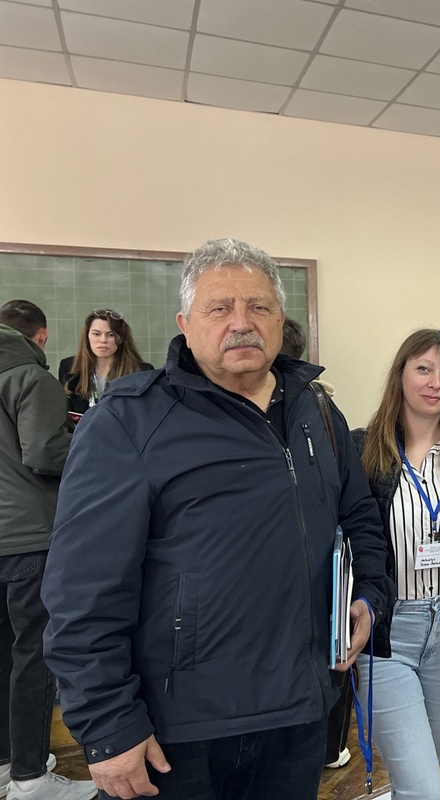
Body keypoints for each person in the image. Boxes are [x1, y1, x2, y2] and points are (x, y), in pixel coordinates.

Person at [40, 238, 395, 800]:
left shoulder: (317, 411)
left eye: (258, 307)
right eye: (219, 308)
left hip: (297, 717)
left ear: (279, 320)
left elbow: (360, 518)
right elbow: (81, 591)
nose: (241, 323)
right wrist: (106, 725)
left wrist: (371, 597)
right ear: (185, 324)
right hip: (176, 733)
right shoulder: (129, 422)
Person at [351, 328, 440, 800]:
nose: (435, 382)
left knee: (428, 763)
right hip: (386, 633)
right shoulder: (362, 450)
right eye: (423, 368)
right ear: (400, 374)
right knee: (424, 787)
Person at [0, 300, 95, 800]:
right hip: (28, 536)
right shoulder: (31, 377)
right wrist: (87, 438)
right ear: (42, 337)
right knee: (34, 657)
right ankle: (31, 777)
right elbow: (43, 452)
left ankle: (7, 761)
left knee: (3, 655)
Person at [58, 310, 152, 414]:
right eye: (96, 334)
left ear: (121, 338)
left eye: (111, 335)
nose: (103, 340)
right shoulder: (69, 367)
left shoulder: (141, 372)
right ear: (87, 336)